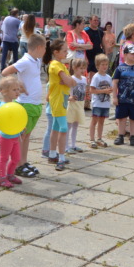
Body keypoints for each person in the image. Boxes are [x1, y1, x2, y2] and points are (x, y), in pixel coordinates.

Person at [2, 33, 46, 177]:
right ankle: (17, 165)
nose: (45, 51)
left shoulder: (36, 60)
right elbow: (5, 72)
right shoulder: (25, 61)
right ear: (39, 48)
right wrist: (18, 85)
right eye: (45, 48)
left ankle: (23, 161)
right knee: (21, 136)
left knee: (27, 136)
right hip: (25, 104)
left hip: (34, 104)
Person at [43, 39, 76, 171]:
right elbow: (70, 82)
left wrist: (68, 81)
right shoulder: (55, 65)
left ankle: (52, 154)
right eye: (64, 51)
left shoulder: (61, 65)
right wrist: (68, 81)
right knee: (63, 128)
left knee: (56, 127)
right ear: (56, 52)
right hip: (57, 100)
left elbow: (72, 82)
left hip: (61, 99)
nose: (67, 52)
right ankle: (61, 158)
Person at [112, 44, 134, 146]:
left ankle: (133, 136)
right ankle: (120, 135)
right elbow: (115, 82)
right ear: (125, 55)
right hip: (122, 98)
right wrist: (114, 96)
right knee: (122, 118)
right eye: (132, 54)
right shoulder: (120, 68)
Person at [0, 76, 25, 189]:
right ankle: (2, 179)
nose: (17, 92)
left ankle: (10, 175)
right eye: (14, 89)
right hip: (5, 138)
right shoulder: (3, 106)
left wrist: (21, 127)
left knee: (16, 158)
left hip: (15, 136)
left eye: (18, 89)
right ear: (4, 91)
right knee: (4, 158)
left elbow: (17, 118)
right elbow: (2, 121)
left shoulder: (15, 104)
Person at [89, 53, 112, 148]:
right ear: (97, 66)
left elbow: (111, 88)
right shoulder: (96, 77)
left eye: (106, 64)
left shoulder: (109, 77)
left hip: (105, 103)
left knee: (102, 121)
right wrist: (104, 91)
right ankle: (92, 139)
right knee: (94, 121)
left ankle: (99, 138)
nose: (105, 66)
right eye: (102, 64)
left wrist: (110, 90)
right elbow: (92, 90)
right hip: (97, 103)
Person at [66, 58, 87, 154]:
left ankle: (73, 145)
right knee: (68, 126)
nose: (83, 70)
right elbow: (65, 91)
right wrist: (69, 98)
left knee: (76, 126)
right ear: (74, 68)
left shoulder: (84, 79)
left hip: (80, 105)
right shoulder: (71, 78)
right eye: (80, 68)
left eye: (84, 68)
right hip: (72, 105)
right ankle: (66, 146)